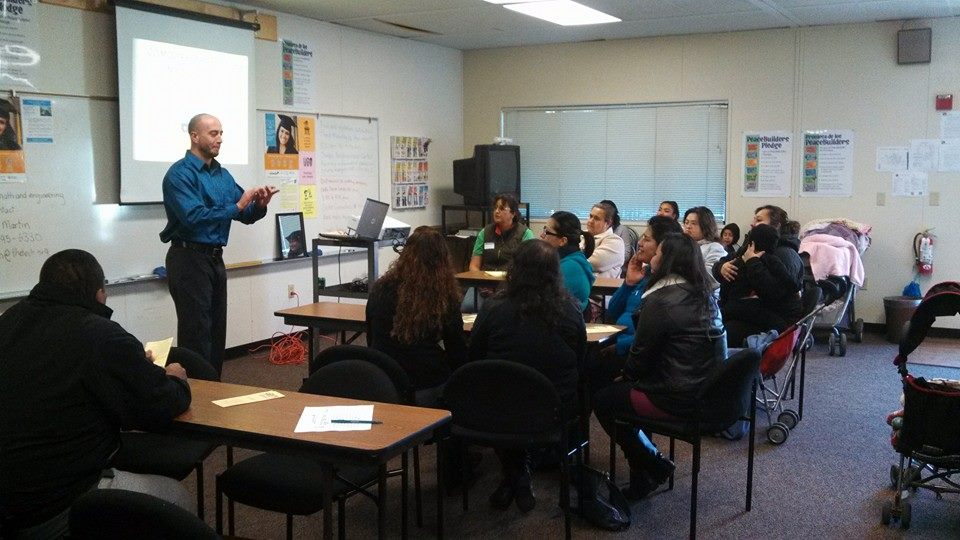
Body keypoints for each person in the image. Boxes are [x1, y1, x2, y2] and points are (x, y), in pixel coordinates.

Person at [0, 249, 193, 538]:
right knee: (177, 500)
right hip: (53, 507)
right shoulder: (100, 334)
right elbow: (160, 405)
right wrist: (177, 379)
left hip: (8, 503)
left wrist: (131, 365)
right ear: (99, 293)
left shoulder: (7, 321)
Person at [593, 233, 726, 500]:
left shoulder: (662, 298)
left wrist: (625, 376)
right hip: (706, 389)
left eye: (656, 253)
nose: (650, 257)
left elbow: (639, 359)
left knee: (604, 400)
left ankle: (651, 463)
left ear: (667, 262)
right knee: (612, 381)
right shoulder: (703, 292)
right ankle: (649, 465)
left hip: (675, 397)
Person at [467, 240, 586, 513]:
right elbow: (580, 360)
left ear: (515, 270)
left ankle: (515, 474)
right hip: (554, 409)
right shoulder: (571, 310)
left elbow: (473, 355)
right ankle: (519, 472)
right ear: (555, 273)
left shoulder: (493, 308)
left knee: (508, 400)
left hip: (497, 407)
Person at [160, 113, 278, 374]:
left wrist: (259, 204)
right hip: (188, 259)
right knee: (196, 333)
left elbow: (245, 215)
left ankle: (214, 392)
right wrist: (237, 205)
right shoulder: (179, 175)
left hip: (214, 259)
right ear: (194, 136)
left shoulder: (222, 175)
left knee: (216, 331)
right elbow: (193, 218)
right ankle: (194, 397)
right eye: (213, 133)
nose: (220, 139)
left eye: (221, 133)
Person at [367, 226, 467, 406]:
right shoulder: (443, 294)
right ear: (442, 260)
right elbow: (456, 349)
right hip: (426, 383)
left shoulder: (381, 287)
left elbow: (371, 336)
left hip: (383, 379)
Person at [591, 216, 682, 393]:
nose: (639, 242)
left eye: (647, 239)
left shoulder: (667, 285)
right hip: (620, 342)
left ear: (664, 248)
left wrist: (619, 346)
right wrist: (628, 284)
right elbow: (613, 314)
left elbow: (657, 338)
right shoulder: (644, 273)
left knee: (593, 371)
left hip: (638, 353)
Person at [713, 222, 804, 347]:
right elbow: (723, 265)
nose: (752, 223)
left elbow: (772, 291)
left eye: (759, 219)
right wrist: (721, 267)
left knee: (727, 327)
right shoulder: (745, 256)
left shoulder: (781, 256)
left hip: (770, 312)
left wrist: (753, 261)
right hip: (743, 308)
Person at [539, 211, 595, 311]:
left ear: (563, 241)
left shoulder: (570, 268)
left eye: (546, 232)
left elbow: (544, 303)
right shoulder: (566, 261)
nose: (541, 236)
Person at [469, 193, 534, 272]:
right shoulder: (484, 232)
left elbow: (528, 267)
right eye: (495, 208)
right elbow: (474, 265)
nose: (496, 211)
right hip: (486, 279)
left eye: (502, 208)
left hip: (511, 281)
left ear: (513, 214)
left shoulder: (525, 234)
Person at [681, 206, 727, 291]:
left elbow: (711, 278)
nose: (688, 227)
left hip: (704, 296)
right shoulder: (681, 245)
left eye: (694, 223)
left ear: (705, 226)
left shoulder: (715, 247)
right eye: (686, 222)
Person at [584, 201, 625, 278]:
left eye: (596, 218)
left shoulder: (615, 241)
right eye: (590, 216)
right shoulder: (582, 235)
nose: (590, 221)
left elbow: (594, 263)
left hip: (603, 288)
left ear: (608, 223)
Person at [599, 199, 638, 273]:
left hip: (616, 266)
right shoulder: (596, 228)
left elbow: (626, 254)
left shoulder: (622, 229)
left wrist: (608, 262)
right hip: (598, 264)